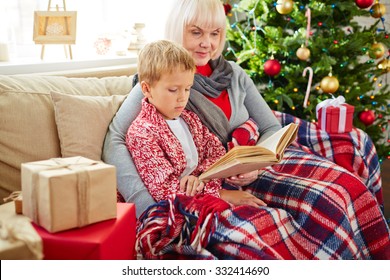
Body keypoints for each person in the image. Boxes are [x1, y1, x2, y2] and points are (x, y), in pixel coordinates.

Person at [103, 0, 390, 259]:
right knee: (326, 202)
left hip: (253, 167)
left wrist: (255, 164)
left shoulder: (234, 74)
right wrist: (145, 207)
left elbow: (268, 127)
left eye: (215, 33)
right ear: (177, 30)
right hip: (216, 180)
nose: (207, 43)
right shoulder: (163, 79)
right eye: (196, 33)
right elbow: (115, 139)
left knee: (349, 186)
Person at [126, 39, 265, 207]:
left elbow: (216, 153)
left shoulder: (190, 119)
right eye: (173, 90)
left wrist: (199, 179)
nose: (182, 98)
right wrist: (219, 194)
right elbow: (163, 190)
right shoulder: (142, 133)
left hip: (209, 189)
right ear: (147, 89)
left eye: (187, 89)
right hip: (187, 206)